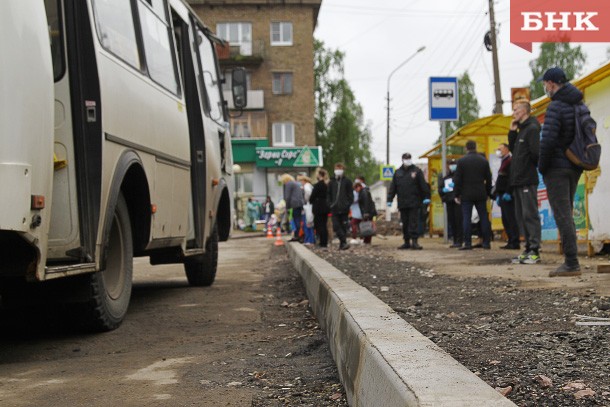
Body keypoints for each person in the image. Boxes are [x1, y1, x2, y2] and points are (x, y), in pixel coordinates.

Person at [538, 67, 584, 277]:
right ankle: (571, 259)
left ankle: (571, 263)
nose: (545, 87)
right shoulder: (579, 104)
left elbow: (547, 141)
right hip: (575, 165)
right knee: (568, 213)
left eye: (545, 84)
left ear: (551, 83)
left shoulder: (556, 106)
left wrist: (542, 166)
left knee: (562, 214)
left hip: (556, 167)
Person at [508, 99, 542, 263]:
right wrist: (512, 132)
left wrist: (527, 168)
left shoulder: (532, 129)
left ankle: (535, 250)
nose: (513, 113)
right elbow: (514, 150)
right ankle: (528, 248)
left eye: (515, 110)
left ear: (523, 112)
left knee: (530, 214)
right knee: (521, 215)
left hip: (528, 179)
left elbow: (536, 154)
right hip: (518, 180)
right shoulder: (521, 130)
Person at [453, 140, 492, 250]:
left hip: (466, 194)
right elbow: (488, 178)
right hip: (481, 193)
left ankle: (468, 243)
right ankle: (486, 243)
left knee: (466, 218)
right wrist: (488, 193)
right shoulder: (483, 160)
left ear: (466, 148)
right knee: (484, 217)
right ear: (475, 147)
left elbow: (457, 179)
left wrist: (456, 194)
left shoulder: (461, 161)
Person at [387, 153, 431, 250]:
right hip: (402, 202)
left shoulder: (417, 171)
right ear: (402, 160)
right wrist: (389, 199)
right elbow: (393, 187)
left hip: (414, 202)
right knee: (405, 223)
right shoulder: (398, 172)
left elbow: (423, 185)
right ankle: (406, 242)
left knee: (413, 222)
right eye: (406, 158)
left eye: (409, 158)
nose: (408, 160)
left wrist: (426, 196)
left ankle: (414, 242)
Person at [494, 143, 520, 251]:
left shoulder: (510, 160)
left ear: (506, 149)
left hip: (508, 194)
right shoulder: (503, 161)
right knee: (505, 219)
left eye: (500, 149)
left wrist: (508, 192)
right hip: (502, 194)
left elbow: (511, 178)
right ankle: (510, 240)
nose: (498, 151)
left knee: (511, 218)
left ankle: (515, 241)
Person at [327, 163, 353, 250]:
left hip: (344, 209)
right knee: (336, 226)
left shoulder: (347, 181)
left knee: (344, 226)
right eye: (337, 168)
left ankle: (342, 244)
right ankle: (344, 241)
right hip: (334, 208)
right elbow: (328, 194)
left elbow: (350, 195)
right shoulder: (331, 182)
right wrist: (330, 204)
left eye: (340, 168)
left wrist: (347, 204)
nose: (338, 170)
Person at [438, 159, 463, 248]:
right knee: (452, 221)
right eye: (451, 164)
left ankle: (460, 240)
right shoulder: (446, 178)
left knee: (459, 221)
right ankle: (455, 240)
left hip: (458, 201)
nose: (452, 166)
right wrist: (443, 193)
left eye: (454, 164)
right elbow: (440, 189)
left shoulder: (461, 176)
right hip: (449, 201)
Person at [281, 173, 305, 242]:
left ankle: (297, 236)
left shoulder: (288, 184)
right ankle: (299, 235)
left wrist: (287, 207)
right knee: (299, 219)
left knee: (296, 220)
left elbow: (287, 196)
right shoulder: (296, 183)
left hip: (294, 204)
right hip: (300, 203)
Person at [309, 168, 330, 248]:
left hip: (318, 208)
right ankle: (324, 242)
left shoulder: (318, 185)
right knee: (324, 225)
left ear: (320, 175)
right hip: (325, 207)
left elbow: (312, 197)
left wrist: (311, 201)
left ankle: (322, 243)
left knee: (319, 225)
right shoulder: (326, 185)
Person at [298, 174, 316, 245]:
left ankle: (309, 240)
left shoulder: (306, 186)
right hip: (310, 206)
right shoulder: (310, 186)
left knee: (307, 224)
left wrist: (305, 200)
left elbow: (308, 194)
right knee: (310, 223)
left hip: (307, 206)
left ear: (304, 180)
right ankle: (311, 239)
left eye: (301, 180)